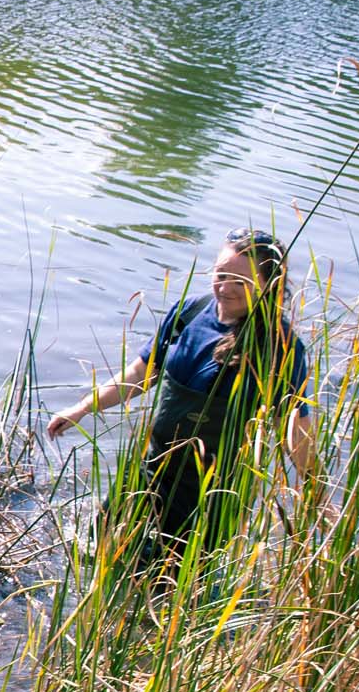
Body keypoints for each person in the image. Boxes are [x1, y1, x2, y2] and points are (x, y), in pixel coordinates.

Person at [46, 228, 316, 567]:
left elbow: (294, 422)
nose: (224, 287)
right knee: (96, 551)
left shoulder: (281, 345)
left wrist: (313, 486)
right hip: (151, 470)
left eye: (240, 281)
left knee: (170, 581)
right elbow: (138, 375)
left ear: (268, 284)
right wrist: (82, 408)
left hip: (210, 494)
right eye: (221, 274)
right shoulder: (190, 313)